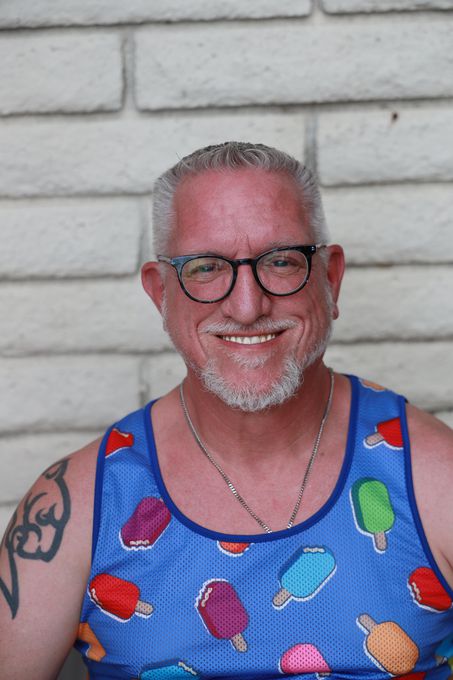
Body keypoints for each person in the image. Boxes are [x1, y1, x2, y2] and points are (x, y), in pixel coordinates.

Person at [1, 142, 453, 679]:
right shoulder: (84, 501)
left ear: (330, 279)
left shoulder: (433, 475)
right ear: (160, 293)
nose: (246, 306)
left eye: (281, 261)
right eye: (206, 267)